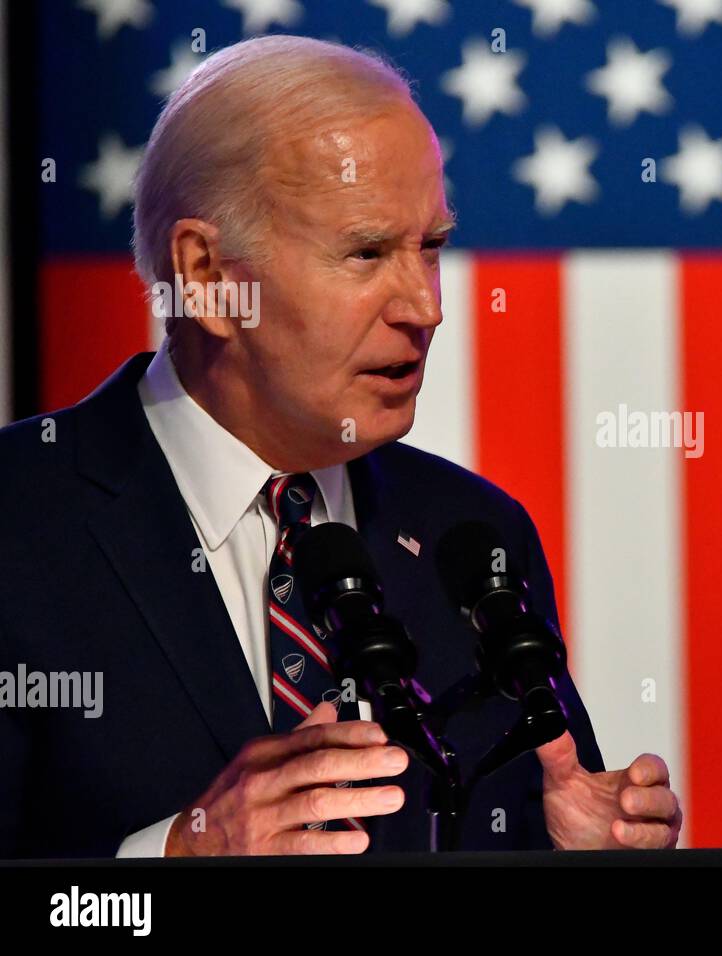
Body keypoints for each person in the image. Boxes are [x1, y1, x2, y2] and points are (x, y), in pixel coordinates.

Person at [0, 35, 682, 858]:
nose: (425, 308)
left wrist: (569, 856)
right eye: (366, 253)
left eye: (429, 247)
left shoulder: (472, 533)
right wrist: (176, 860)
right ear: (208, 276)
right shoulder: (19, 521)